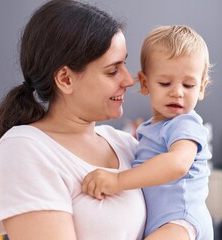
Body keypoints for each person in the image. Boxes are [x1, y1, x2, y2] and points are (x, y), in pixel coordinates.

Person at [0, 0, 146, 239]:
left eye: (124, 64)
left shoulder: (127, 145)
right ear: (65, 79)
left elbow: (184, 211)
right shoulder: (25, 150)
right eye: (112, 70)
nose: (129, 80)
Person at [83, 25, 214, 240]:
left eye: (189, 85)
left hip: (181, 221)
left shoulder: (185, 123)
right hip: (161, 223)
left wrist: (118, 181)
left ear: (201, 88)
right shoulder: (148, 129)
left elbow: (178, 164)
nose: (177, 92)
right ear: (144, 83)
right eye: (165, 83)